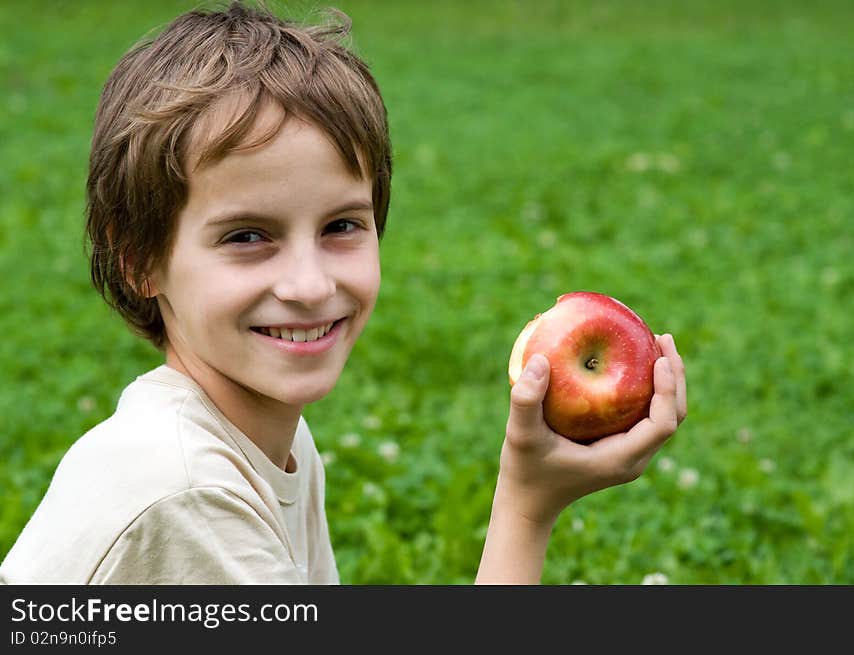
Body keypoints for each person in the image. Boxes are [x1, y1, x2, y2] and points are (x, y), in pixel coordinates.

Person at [0, 1, 686, 585]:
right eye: (246, 236)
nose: (310, 284)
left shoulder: (264, 438)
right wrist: (528, 506)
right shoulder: (187, 494)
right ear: (140, 259)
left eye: (341, 225)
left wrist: (527, 488)